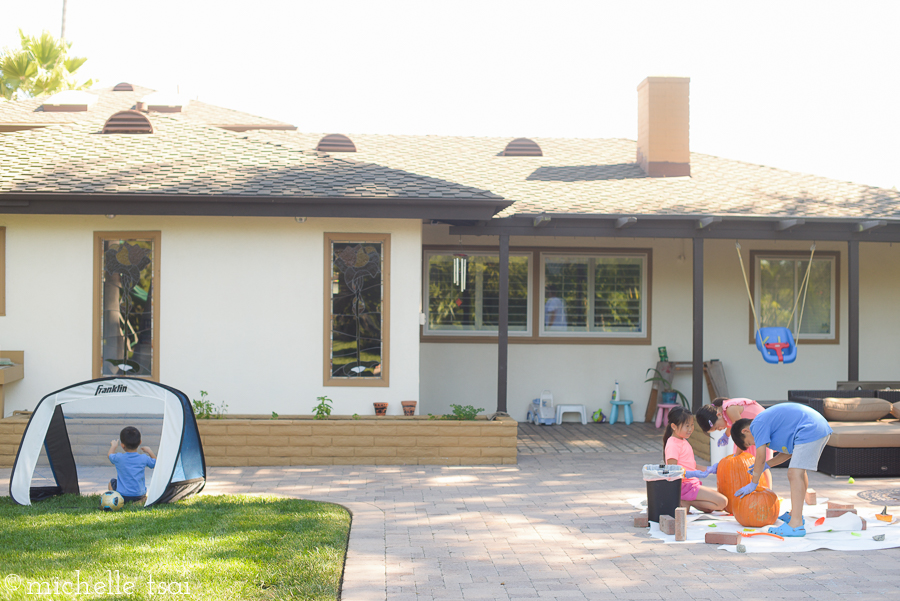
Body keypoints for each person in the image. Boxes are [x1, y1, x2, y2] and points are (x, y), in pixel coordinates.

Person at [732, 402, 833, 537]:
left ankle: (795, 525)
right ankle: (795, 515)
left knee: (794, 473)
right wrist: (767, 465)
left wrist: (753, 483)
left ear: (745, 431)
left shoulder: (756, 425)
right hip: (817, 427)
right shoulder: (770, 426)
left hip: (810, 428)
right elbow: (790, 452)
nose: (754, 444)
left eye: (750, 443)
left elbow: (760, 456)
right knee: (799, 472)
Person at [663, 406, 727, 513]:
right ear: (674, 426)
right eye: (686, 426)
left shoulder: (682, 440)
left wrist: (709, 469)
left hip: (691, 484)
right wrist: (693, 474)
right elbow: (672, 471)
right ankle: (685, 500)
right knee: (723, 502)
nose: (690, 429)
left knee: (710, 509)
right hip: (683, 486)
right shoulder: (673, 444)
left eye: (692, 425)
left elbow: (691, 465)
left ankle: (687, 502)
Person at [695, 397, 774, 460]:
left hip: (763, 430)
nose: (719, 429)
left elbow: (740, 433)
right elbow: (733, 424)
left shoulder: (730, 409)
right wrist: (726, 435)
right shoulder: (725, 411)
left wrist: (737, 456)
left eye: (716, 428)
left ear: (719, 415)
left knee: (762, 465)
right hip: (753, 433)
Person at [107, 426, 157, 503]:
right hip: (139, 494)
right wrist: (149, 451)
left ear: (122, 445)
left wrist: (113, 446)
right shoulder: (143, 458)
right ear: (140, 442)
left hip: (123, 495)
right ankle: (141, 500)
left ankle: (116, 500)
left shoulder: (119, 457)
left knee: (112, 482)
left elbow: (110, 455)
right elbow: (155, 464)